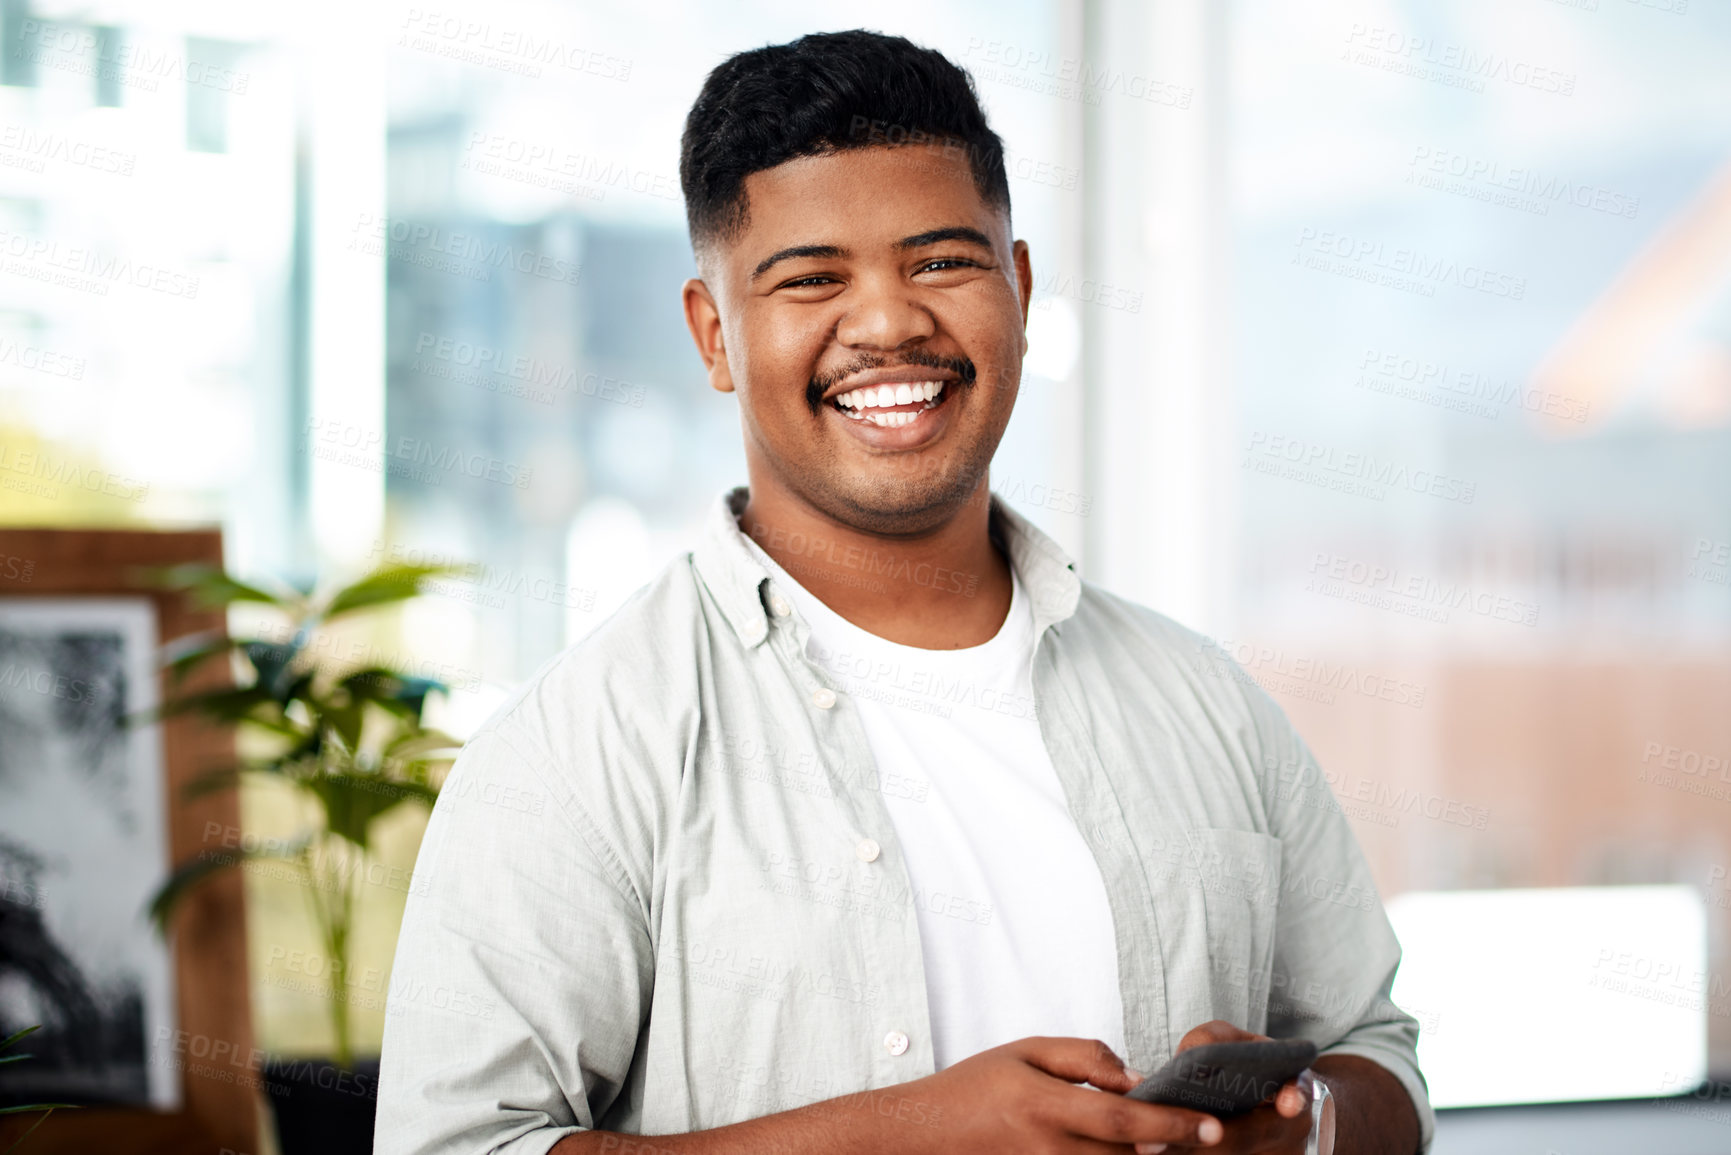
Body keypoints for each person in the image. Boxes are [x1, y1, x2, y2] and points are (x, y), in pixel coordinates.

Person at [375, 29, 1432, 1155]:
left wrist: (1304, 1126)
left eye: (941, 263)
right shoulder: (580, 751)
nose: (886, 323)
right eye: (812, 279)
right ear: (712, 332)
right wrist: (905, 1133)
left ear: (1018, 291)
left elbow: (1382, 1056)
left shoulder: (1208, 703)